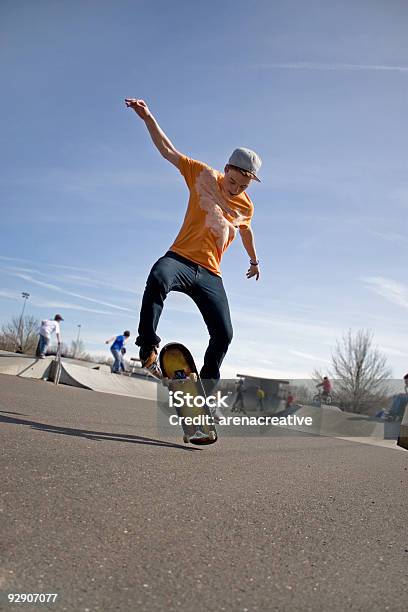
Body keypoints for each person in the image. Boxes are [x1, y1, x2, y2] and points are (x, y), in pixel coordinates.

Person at [125, 98, 261, 384]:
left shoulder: (246, 206)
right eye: (233, 182)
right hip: (181, 259)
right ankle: (148, 348)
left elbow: (246, 230)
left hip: (211, 274)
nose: (235, 190)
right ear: (226, 169)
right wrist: (148, 116)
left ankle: (207, 392)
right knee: (158, 277)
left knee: (224, 334)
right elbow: (168, 151)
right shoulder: (201, 174)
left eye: (243, 187)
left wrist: (253, 260)